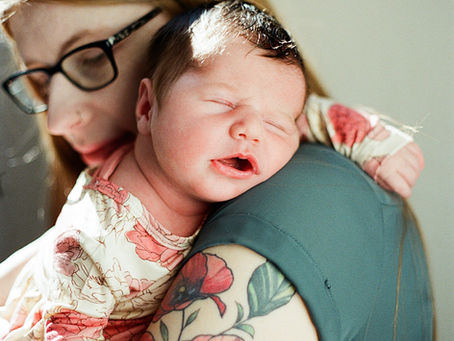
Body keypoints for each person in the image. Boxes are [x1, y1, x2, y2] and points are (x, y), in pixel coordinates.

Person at [0, 0, 431, 339]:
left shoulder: (286, 187)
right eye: (40, 82)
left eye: (93, 57)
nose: (56, 121)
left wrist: (373, 138)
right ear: (148, 104)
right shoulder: (96, 228)